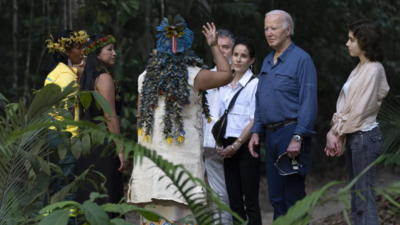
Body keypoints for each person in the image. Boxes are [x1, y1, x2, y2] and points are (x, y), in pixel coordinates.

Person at [128, 15, 233, 225]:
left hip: (151, 168)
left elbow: (141, 121)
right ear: (186, 47)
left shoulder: (145, 77)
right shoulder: (194, 75)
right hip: (182, 167)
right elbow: (226, 74)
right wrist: (214, 46)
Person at [248, 10, 318, 220]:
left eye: (274, 28)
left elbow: (308, 101)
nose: (268, 33)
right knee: (276, 196)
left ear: (288, 30)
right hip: (270, 136)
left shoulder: (301, 59)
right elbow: (262, 99)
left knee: (293, 196)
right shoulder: (268, 61)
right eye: (266, 28)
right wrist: (255, 131)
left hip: (291, 133)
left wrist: (298, 137)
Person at [325, 19, 389, 225]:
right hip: (356, 136)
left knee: (364, 197)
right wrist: (333, 132)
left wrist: (338, 133)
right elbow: (346, 109)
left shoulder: (373, 69)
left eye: (351, 39)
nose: (347, 43)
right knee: (357, 197)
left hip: (364, 136)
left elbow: (359, 111)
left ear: (365, 41)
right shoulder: (360, 68)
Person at [39, 29, 88, 224]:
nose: (83, 50)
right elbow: (69, 110)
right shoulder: (68, 78)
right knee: (67, 188)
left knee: (53, 187)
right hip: (65, 136)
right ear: (66, 51)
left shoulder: (55, 73)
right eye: (78, 47)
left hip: (51, 135)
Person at [76, 34, 125, 219]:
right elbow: (110, 115)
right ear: (97, 55)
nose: (114, 53)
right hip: (104, 142)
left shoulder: (85, 78)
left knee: (89, 194)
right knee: (107, 193)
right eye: (109, 50)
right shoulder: (103, 78)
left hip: (87, 142)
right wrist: (120, 147)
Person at [217, 37, 261, 225]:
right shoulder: (223, 83)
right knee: (234, 201)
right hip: (227, 145)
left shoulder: (255, 84)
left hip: (246, 145)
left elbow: (255, 118)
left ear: (251, 60)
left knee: (250, 201)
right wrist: (221, 143)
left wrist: (236, 145)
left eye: (244, 56)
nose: (238, 59)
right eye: (236, 55)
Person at [202, 28, 234, 225]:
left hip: (235, 142)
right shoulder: (206, 76)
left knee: (234, 195)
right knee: (217, 195)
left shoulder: (243, 76)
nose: (222, 52)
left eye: (226, 47)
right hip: (209, 143)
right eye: (218, 46)